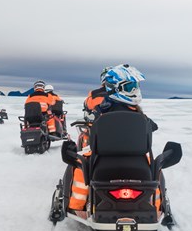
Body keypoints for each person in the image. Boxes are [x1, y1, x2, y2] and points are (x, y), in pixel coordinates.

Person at [67, 65, 158, 215]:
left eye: (135, 86)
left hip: (104, 154)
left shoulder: (102, 107)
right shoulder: (135, 112)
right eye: (129, 87)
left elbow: (90, 113)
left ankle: (76, 206)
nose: (134, 90)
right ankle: (157, 207)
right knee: (154, 168)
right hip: (134, 157)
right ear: (115, 88)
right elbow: (152, 125)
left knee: (80, 165)